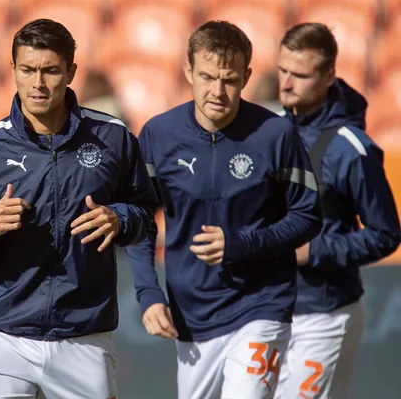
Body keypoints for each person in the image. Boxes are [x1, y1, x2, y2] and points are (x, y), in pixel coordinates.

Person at [0, 19, 158, 399]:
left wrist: (119, 218)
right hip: (2, 337)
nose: (38, 83)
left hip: (84, 335)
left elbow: (144, 216)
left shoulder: (114, 138)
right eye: (28, 70)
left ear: (71, 72)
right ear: (13, 71)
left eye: (50, 71)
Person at [125, 20, 323, 399]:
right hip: (192, 314)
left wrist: (241, 244)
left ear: (247, 76)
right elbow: (140, 220)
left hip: (262, 304)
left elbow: (308, 215)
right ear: (188, 71)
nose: (218, 91)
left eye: (230, 79)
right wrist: (149, 293)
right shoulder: (158, 134)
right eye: (207, 77)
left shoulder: (276, 134)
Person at [274, 22, 401, 399]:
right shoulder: (270, 133)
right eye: (282, 70)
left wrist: (314, 251)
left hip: (324, 314)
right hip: (268, 311)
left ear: (329, 76)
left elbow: (386, 234)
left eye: (300, 75)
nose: (285, 84)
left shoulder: (351, 149)